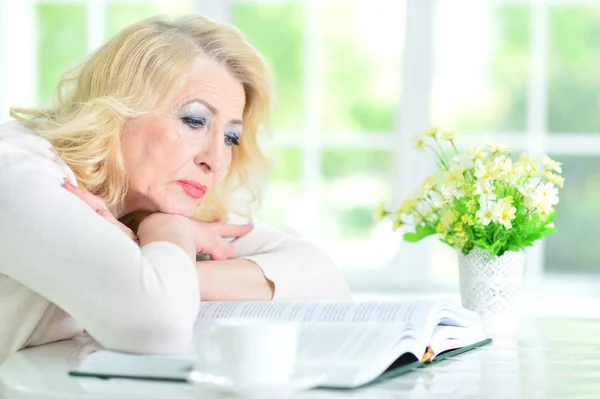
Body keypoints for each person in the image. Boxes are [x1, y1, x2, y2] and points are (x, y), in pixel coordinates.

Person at [0, 14, 351, 364]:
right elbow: (156, 326)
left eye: (231, 137)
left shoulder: (166, 202)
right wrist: (167, 238)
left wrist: (160, 256)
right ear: (119, 108)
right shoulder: (18, 169)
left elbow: (323, 279)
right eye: (194, 121)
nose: (216, 159)